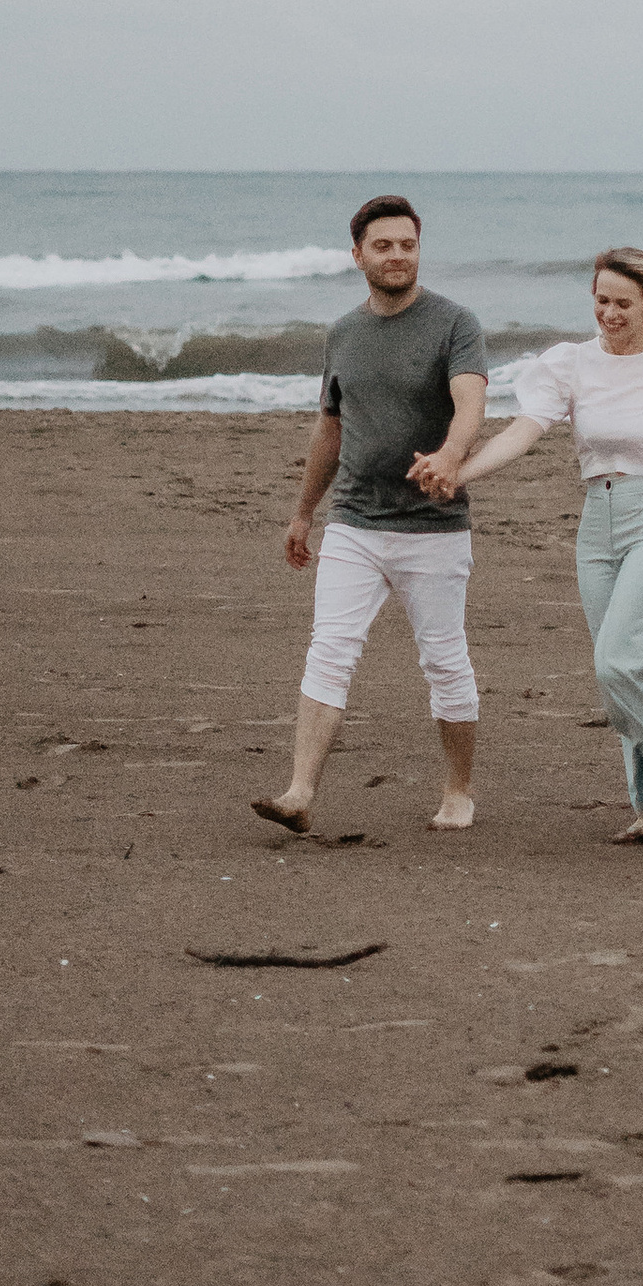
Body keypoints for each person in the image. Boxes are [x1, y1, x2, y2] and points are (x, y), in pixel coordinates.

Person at [429, 248, 643, 845]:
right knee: (623, 672)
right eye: (602, 301)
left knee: (616, 660)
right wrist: (460, 472)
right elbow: (524, 430)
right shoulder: (570, 363)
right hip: (596, 525)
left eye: (623, 303)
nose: (610, 313)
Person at [253, 195, 489, 837]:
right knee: (329, 651)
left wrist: (448, 454)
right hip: (355, 522)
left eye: (408, 245)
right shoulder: (344, 333)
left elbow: (471, 404)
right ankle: (299, 792)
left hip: (432, 527)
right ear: (358, 256)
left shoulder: (454, 323)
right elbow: (330, 427)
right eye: (383, 246)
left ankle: (458, 791)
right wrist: (304, 512)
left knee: (444, 660)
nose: (398, 256)